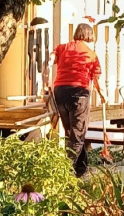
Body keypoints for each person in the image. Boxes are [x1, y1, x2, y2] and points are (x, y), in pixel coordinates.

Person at [43, 23, 106, 177]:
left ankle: (81, 169)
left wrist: (48, 68)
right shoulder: (91, 54)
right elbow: (96, 79)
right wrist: (103, 94)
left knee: (71, 132)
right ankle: (67, 173)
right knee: (77, 134)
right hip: (79, 94)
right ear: (90, 36)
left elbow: (52, 57)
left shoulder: (63, 47)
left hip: (60, 93)